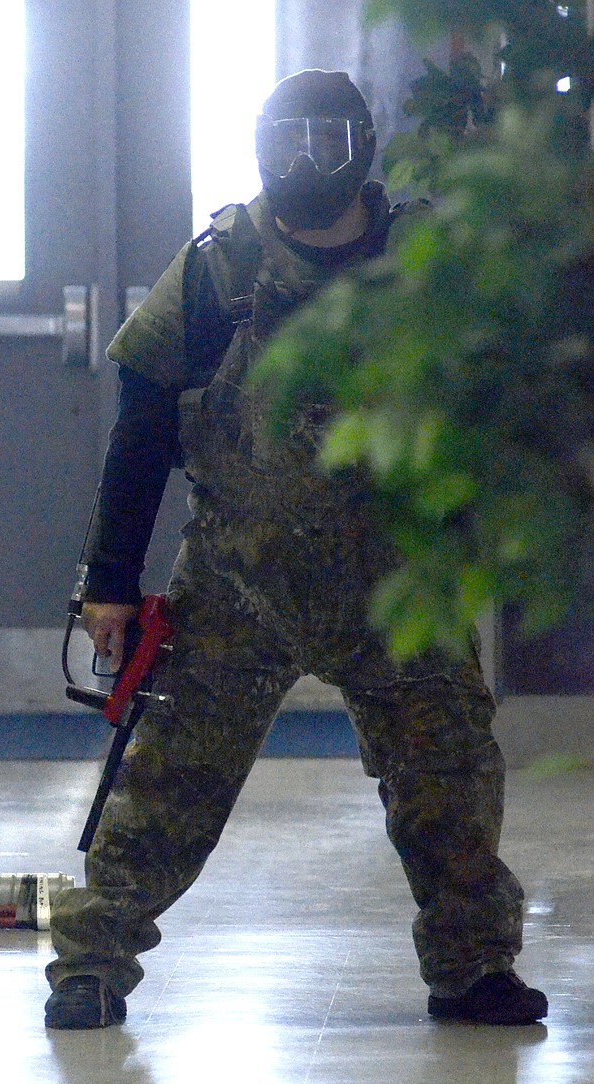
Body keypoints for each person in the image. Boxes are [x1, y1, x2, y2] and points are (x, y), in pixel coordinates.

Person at [44, 69, 548, 1030]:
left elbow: (502, 403)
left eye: (328, 140)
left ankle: (475, 967)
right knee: (163, 787)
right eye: (288, 141)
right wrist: (107, 580)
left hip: (402, 587)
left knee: (450, 785)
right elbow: (141, 430)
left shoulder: (426, 260)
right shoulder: (216, 266)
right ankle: (90, 964)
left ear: (362, 147)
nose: (307, 161)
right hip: (240, 580)